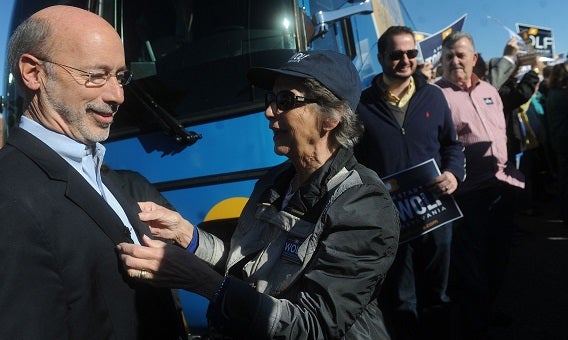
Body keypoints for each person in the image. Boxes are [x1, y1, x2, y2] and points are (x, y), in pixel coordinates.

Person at [117, 50, 401, 339]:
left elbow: (312, 326)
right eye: (271, 99)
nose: (268, 112)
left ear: (332, 117)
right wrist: (186, 235)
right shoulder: (274, 181)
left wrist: (202, 282)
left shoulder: (363, 203)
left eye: (285, 101)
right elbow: (247, 264)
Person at [0, 6, 185, 339]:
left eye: (120, 76)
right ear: (33, 73)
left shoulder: (102, 173)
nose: (117, 96)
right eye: (95, 75)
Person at [354, 26, 465, 340]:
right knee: (401, 298)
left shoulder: (435, 96)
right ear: (381, 58)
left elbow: (452, 146)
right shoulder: (362, 105)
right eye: (396, 54)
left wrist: (454, 174)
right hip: (392, 221)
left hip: (436, 216)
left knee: (438, 294)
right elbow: (354, 161)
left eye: (411, 53)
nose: (405, 60)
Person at [435, 31, 525, 339]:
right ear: (441, 61)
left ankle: (486, 309)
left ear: (474, 59)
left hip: (503, 186)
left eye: (461, 55)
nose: (455, 60)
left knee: (497, 257)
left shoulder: (490, 90)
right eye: (449, 56)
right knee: (470, 263)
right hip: (467, 193)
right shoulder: (436, 95)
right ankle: (474, 322)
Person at [545, 62, 568, 224]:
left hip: (558, 141)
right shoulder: (563, 95)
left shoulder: (552, 94)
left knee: (564, 178)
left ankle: (562, 211)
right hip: (565, 141)